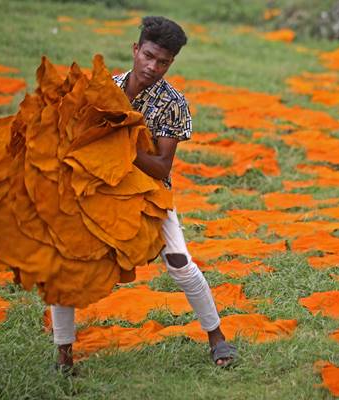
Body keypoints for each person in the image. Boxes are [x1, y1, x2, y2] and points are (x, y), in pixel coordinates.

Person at [50, 16, 237, 373]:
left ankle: (217, 337)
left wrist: (120, 143)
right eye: (148, 56)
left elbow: (162, 168)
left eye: (163, 62)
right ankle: (64, 354)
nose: (153, 67)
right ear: (135, 50)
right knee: (63, 262)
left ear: (171, 63)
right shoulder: (105, 90)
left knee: (181, 265)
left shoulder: (173, 103)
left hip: (150, 193)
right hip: (100, 191)